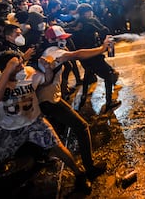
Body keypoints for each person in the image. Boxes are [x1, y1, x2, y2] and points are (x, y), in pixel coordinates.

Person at [0, 50, 92, 194]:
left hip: (34, 122)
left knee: (57, 145)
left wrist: (47, 69)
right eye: (17, 66)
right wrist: (8, 70)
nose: (22, 67)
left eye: (21, 64)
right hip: (10, 128)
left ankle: (80, 175)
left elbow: (46, 80)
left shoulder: (28, 72)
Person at [37, 26, 114, 181]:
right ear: (51, 40)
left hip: (50, 98)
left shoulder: (49, 52)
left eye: (65, 38)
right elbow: (78, 55)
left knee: (56, 136)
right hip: (49, 101)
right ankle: (89, 169)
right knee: (81, 127)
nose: (64, 41)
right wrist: (102, 48)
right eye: (61, 39)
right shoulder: (54, 52)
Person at [72, 3, 121, 111]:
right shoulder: (91, 21)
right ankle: (109, 102)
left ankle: (83, 95)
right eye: (89, 11)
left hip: (83, 56)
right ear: (85, 13)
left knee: (88, 72)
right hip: (94, 55)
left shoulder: (75, 24)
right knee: (108, 75)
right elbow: (105, 30)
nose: (91, 13)